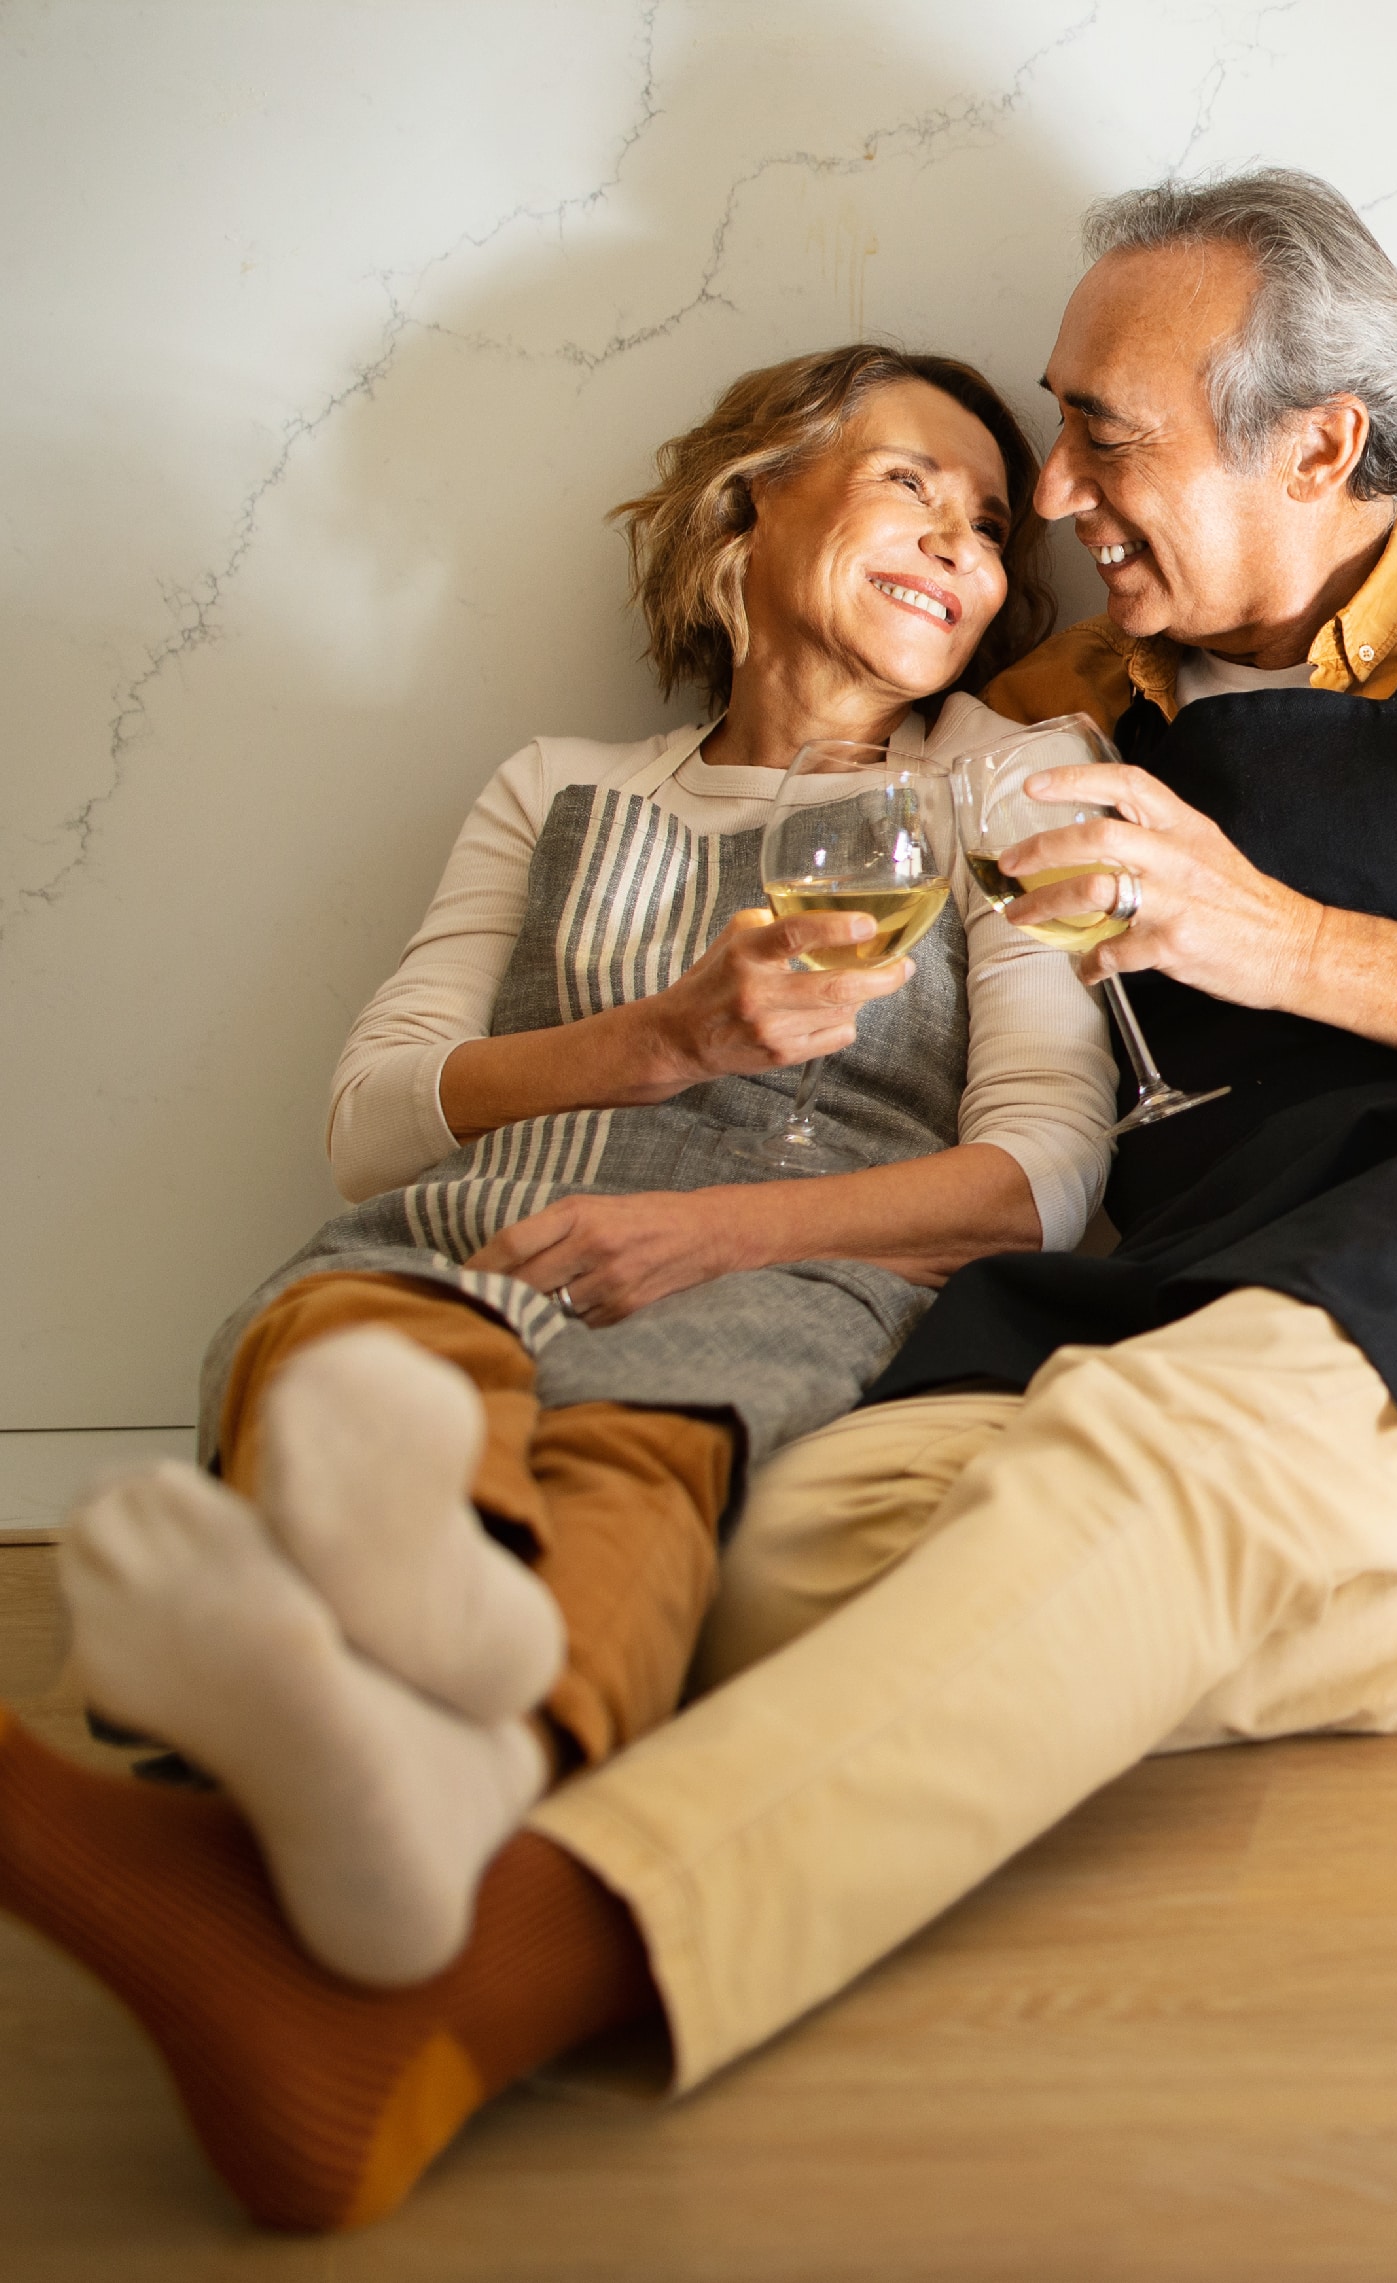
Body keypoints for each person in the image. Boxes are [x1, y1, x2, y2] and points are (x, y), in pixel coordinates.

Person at [0, 171, 1397, 2238]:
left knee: (1144, 1461)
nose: (1061, 499)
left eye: (1104, 436)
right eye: (1044, 442)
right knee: (793, 1547)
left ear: (1318, 444)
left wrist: (1284, 944)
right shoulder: (1055, 716)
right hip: (1213, 1261)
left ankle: (476, 1975)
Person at [41, 342, 1115, 1983]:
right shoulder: (559, 787)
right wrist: (663, 1041)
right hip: (476, 1235)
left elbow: (1041, 1177)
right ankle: (428, 1687)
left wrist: (711, 1234)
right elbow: (373, 1120)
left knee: (642, 1453)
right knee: (360, 1357)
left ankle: (416, 1723)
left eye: (990, 528)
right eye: (912, 483)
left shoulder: (1001, 783)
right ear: (747, 505)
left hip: (792, 1274)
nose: (966, 544)